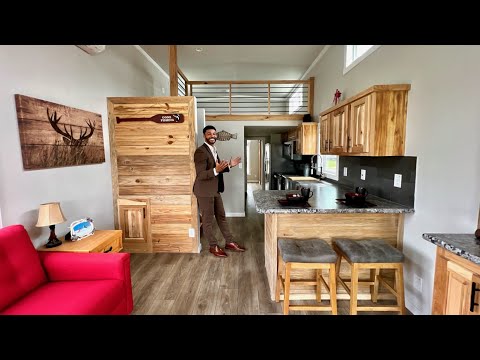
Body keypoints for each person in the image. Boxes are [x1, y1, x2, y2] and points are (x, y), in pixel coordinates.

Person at [193, 125, 246, 257]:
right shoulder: (200, 151)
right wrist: (216, 170)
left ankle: (229, 242)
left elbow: (217, 168)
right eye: (209, 134)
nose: (213, 136)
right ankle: (213, 246)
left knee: (221, 217)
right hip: (204, 192)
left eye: (214, 134)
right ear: (204, 136)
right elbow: (201, 175)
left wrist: (229, 165)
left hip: (215, 190)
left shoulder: (213, 150)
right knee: (208, 220)